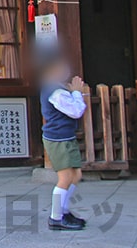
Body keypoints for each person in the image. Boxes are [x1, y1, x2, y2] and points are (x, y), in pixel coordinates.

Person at [39, 49, 87, 231]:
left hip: (65, 137)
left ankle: (63, 210)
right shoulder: (55, 91)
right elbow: (75, 111)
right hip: (58, 139)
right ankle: (56, 217)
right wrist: (76, 93)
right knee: (66, 177)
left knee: (76, 175)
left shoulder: (57, 88)